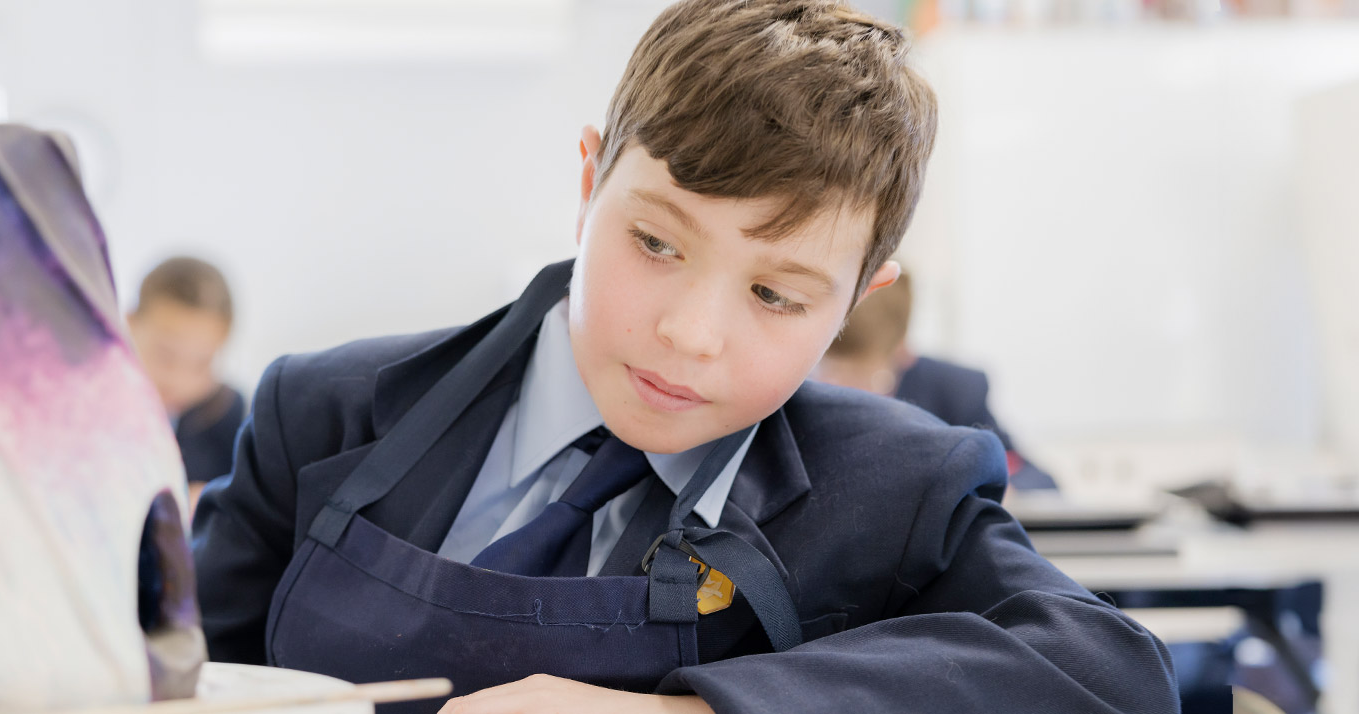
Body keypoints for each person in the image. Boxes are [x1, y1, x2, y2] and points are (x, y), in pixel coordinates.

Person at [190, 1, 1177, 712]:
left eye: (776, 295)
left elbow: (1109, 674)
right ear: (590, 182)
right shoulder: (320, 411)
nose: (691, 334)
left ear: (854, 305)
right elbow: (174, 674)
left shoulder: (894, 491)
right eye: (655, 244)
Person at [814, 272, 1059, 490]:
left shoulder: (954, 392)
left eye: (859, 375)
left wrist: (1001, 491)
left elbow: (1031, 478)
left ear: (903, 351)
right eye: (829, 370)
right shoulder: (798, 390)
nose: (839, 387)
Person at [126, 257, 246, 510]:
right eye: (166, 355)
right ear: (129, 323)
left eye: (202, 363)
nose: (179, 380)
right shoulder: (93, 405)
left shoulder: (232, 419)